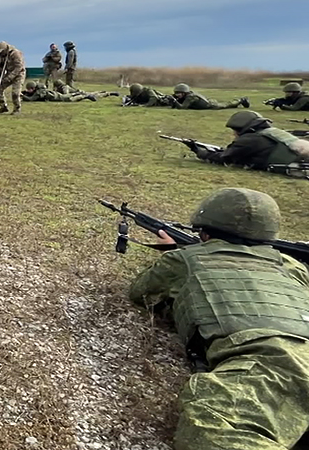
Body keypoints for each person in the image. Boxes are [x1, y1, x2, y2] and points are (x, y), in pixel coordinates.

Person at [128, 187, 309, 450]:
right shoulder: (291, 265)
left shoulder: (183, 259)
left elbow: (141, 292)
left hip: (272, 358)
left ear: (204, 231)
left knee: (212, 422)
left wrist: (171, 256)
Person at [194, 111, 309, 172]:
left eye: (235, 130)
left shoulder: (250, 140)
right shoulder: (272, 132)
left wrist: (200, 152)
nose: (234, 134)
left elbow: (225, 158)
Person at [0, 41, 26, 115]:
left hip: (19, 74)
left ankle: (17, 109)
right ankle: (3, 106)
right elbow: (2, 66)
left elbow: (18, 67)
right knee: (0, 88)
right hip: (8, 73)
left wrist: (10, 77)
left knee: (15, 92)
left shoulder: (16, 54)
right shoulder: (3, 55)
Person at [21, 81, 116, 102]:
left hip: (62, 97)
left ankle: (86, 97)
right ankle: (106, 93)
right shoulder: (40, 90)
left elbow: (31, 99)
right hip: (60, 95)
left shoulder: (39, 92)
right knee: (83, 93)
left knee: (73, 98)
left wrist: (21, 95)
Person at [172, 84, 250, 110]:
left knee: (226, 105)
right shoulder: (189, 95)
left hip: (211, 105)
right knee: (229, 105)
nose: (178, 95)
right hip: (209, 102)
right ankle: (237, 103)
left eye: (179, 93)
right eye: (176, 93)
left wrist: (174, 101)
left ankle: (241, 100)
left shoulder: (190, 97)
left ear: (184, 92)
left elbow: (183, 108)